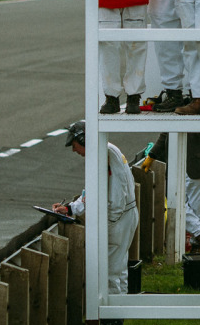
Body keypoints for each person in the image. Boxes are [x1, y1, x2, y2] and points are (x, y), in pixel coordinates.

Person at [52, 120, 139, 296]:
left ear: (83, 139)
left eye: (74, 145)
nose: (74, 150)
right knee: (119, 268)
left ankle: (112, 311)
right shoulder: (105, 150)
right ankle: (120, 307)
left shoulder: (103, 154)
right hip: (125, 215)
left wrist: (109, 222)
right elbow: (93, 191)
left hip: (118, 218)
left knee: (109, 271)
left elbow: (106, 193)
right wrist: (70, 209)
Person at [150, 131, 200, 253]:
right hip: (186, 165)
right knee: (176, 202)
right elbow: (167, 131)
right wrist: (152, 155)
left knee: (198, 211)